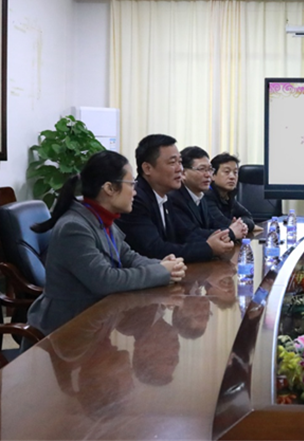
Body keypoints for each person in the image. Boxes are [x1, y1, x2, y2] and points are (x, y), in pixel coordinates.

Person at [27, 150, 187, 336]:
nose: (135, 192)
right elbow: (105, 280)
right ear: (109, 188)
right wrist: (161, 272)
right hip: (67, 329)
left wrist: (164, 266)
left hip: (97, 320)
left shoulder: (102, 219)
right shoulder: (74, 227)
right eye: (131, 184)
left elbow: (128, 256)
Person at [116, 134, 234, 263]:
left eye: (180, 162)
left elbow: (185, 235)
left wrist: (218, 240)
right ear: (147, 168)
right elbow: (155, 250)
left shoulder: (165, 196)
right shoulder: (136, 199)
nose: (180, 169)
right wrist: (209, 248)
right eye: (172, 163)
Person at [169, 146, 248, 244]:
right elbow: (191, 235)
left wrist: (239, 228)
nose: (208, 175)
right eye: (202, 169)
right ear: (183, 173)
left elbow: (214, 225)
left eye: (210, 169)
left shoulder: (201, 196)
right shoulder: (174, 198)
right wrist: (231, 232)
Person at [203, 153, 255, 232]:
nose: (232, 177)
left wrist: (239, 225)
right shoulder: (206, 196)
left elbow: (248, 217)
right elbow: (221, 224)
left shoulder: (228, 195)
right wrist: (236, 225)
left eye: (235, 172)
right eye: (227, 172)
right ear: (212, 175)